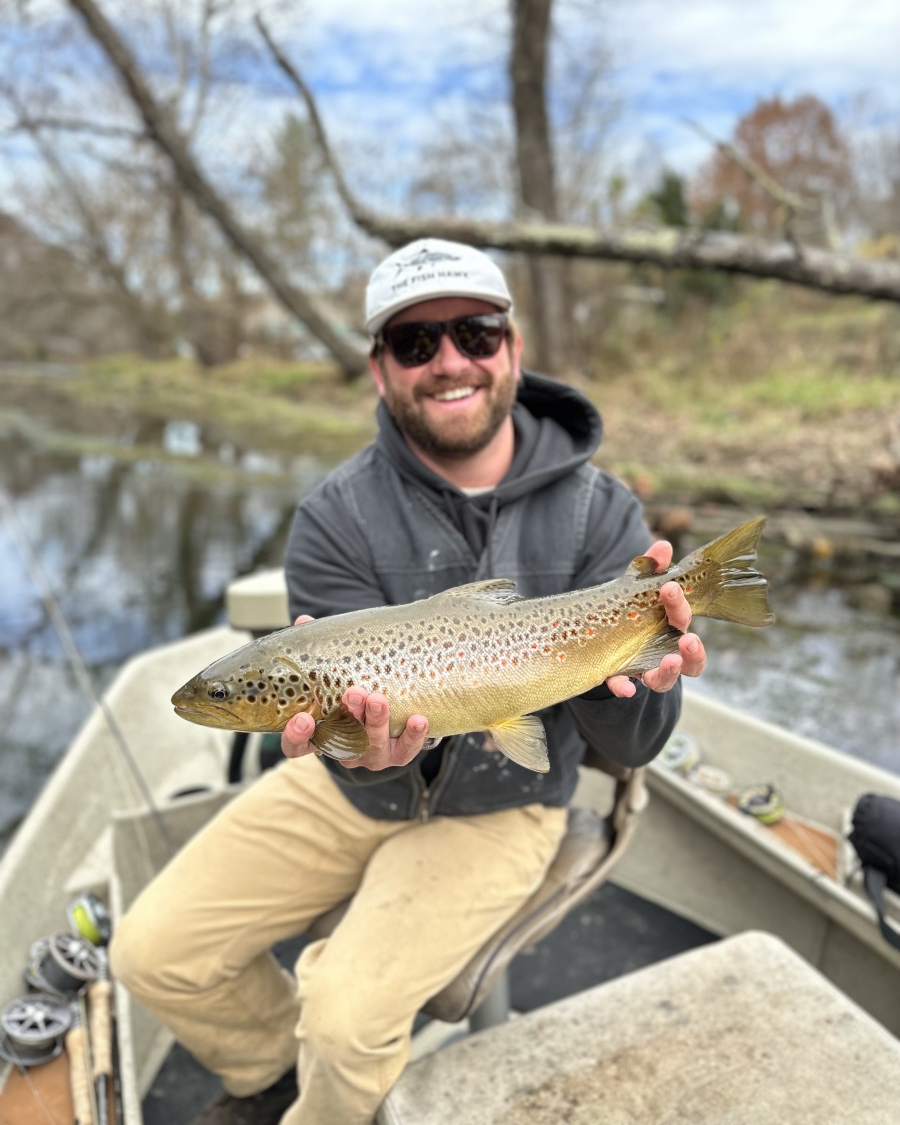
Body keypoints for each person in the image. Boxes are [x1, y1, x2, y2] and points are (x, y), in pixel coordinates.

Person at [111, 238, 707, 1125]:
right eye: (416, 344)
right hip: (354, 791)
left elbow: (636, 747)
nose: (450, 361)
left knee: (345, 1022)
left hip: (511, 799)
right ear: (379, 369)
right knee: (150, 952)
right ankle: (276, 1072)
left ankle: (325, 1097)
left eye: (474, 332)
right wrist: (364, 756)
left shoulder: (600, 510)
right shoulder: (334, 516)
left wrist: (630, 677)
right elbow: (354, 745)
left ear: (511, 344)